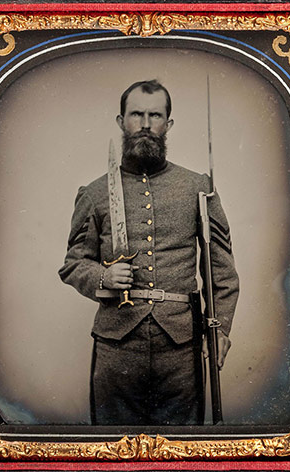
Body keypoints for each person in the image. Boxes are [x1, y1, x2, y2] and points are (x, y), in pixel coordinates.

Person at [59, 80, 239, 426]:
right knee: (114, 450)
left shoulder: (197, 187)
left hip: (181, 348)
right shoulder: (95, 194)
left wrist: (221, 328)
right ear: (120, 121)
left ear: (167, 124)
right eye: (136, 114)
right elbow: (73, 265)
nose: (145, 124)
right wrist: (103, 276)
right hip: (117, 347)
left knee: (181, 451)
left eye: (154, 115)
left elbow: (222, 273)